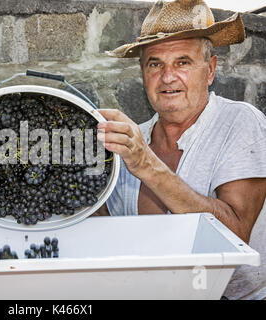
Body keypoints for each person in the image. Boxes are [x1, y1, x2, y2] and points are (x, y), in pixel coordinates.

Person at [96, 0, 266, 300]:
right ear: (142, 73)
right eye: (155, 64)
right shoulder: (130, 143)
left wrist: (146, 164)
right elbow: (105, 230)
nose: (168, 77)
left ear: (210, 70)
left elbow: (234, 234)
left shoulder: (240, 122)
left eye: (182, 62)